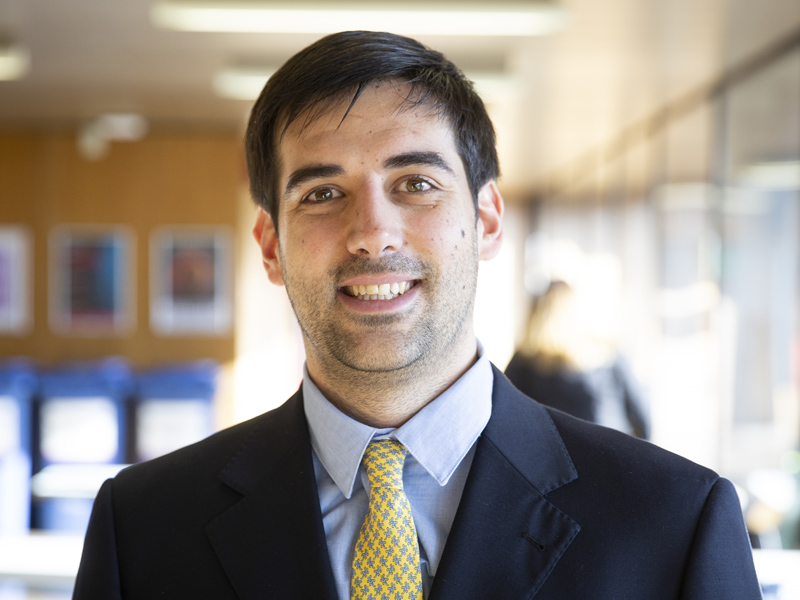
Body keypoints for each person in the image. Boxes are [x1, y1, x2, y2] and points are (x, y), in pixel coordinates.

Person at [72, 31, 761, 600]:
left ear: (487, 220)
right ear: (271, 245)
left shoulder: (673, 522)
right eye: (322, 193)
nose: (373, 234)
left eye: (416, 183)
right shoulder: (143, 528)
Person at [505, 280, 650, 438]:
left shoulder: (525, 361)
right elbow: (642, 417)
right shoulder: (607, 357)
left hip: (551, 449)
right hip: (605, 448)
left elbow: (506, 412)